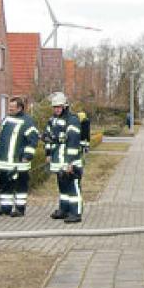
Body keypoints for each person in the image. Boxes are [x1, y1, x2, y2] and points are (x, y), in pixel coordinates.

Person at [0, 97, 39, 217]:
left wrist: (27, 155)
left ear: (19, 108)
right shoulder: (6, 120)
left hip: (20, 162)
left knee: (20, 185)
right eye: (9, 108)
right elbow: (0, 136)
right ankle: (5, 207)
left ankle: (19, 208)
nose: (9, 110)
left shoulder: (27, 122)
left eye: (12, 108)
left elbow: (33, 140)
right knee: (4, 184)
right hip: (4, 161)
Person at [43, 92, 84, 223]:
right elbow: (48, 137)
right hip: (58, 160)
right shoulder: (52, 120)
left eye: (59, 107)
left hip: (70, 161)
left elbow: (73, 141)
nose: (56, 109)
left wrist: (70, 162)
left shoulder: (72, 120)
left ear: (65, 106)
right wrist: (48, 154)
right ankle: (64, 209)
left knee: (73, 186)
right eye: (55, 107)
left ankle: (76, 213)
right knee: (63, 186)